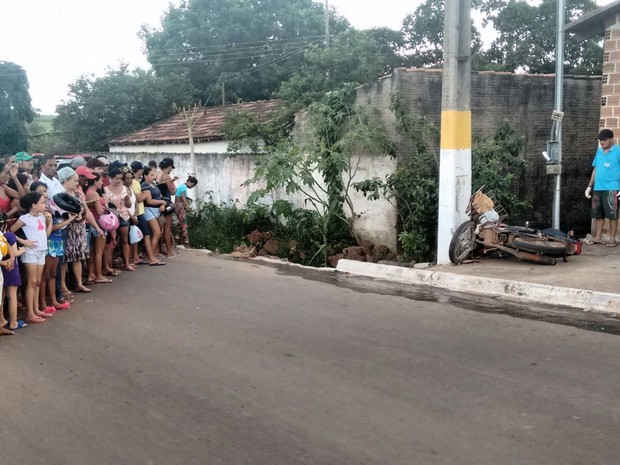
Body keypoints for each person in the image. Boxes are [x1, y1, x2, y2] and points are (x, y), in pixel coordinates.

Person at [59, 167, 104, 294]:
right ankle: (63, 286)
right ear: (65, 180)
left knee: (78, 257)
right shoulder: (60, 195)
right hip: (67, 228)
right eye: (74, 181)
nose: (77, 183)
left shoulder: (78, 194)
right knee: (64, 259)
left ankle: (78, 283)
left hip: (79, 228)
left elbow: (87, 212)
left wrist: (97, 227)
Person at [11, 191, 53, 324]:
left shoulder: (41, 217)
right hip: (30, 252)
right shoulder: (24, 219)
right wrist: (24, 242)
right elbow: (10, 232)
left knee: (38, 282)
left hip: (41, 251)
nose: (44, 204)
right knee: (32, 281)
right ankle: (30, 313)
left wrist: (50, 221)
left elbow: (45, 235)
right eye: (42, 202)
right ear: (33, 205)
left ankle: (36, 309)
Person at [585, 129, 620, 246]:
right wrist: (589, 186)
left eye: (604, 140)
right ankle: (598, 237)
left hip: (612, 186)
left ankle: (612, 239)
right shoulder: (599, 152)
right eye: (600, 140)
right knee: (598, 214)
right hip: (598, 187)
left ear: (611, 139)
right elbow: (595, 169)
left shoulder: (618, 151)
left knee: (612, 214)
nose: (601, 142)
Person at [130, 161, 162, 266]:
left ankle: (137, 257)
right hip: (140, 211)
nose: (153, 176)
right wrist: (144, 195)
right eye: (151, 174)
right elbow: (142, 199)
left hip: (140, 211)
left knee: (137, 236)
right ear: (141, 172)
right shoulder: (138, 183)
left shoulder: (140, 183)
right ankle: (151, 257)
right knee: (147, 235)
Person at [104, 167, 134, 271]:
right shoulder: (105, 189)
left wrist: (127, 201)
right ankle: (109, 265)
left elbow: (129, 205)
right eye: (117, 178)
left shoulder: (125, 189)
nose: (119, 181)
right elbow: (106, 206)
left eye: (120, 178)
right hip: (111, 218)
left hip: (124, 216)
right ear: (110, 178)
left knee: (125, 240)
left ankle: (127, 263)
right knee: (112, 242)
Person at [141, 166, 167, 261]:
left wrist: (162, 204)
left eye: (154, 174)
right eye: (151, 175)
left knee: (155, 233)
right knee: (157, 233)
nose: (153, 176)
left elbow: (159, 196)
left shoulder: (153, 184)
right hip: (149, 210)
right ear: (145, 175)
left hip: (157, 210)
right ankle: (150, 255)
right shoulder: (145, 185)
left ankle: (153, 253)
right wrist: (162, 203)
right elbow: (150, 201)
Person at [156, 158, 178, 257]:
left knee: (160, 227)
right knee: (167, 228)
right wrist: (174, 184)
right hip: (166, 202)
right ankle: (169, 251)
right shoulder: (166, 176)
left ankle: (161, 249)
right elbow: (172, 192)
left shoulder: (158, 174)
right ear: (169, 166)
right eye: (171, 168)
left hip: (158, 202)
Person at [174, 175, 198, 247]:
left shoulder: (181, 186)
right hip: (180, 206)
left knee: (181, 224)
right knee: (184, 224)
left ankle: (176, 238)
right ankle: (186, 242)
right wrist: (187, 205)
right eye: (192, 185)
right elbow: (183, 196)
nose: (191, 187)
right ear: (189, 182)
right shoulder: (184, 187)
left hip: (177, 205)